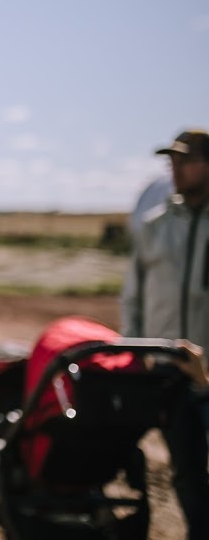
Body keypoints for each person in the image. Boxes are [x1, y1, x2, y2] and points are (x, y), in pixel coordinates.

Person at [121, 128, 209, 539]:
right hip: (168, 372)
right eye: (170, 161)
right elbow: (133, 295)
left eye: (185, 160)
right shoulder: (155, 226)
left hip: (206, 374)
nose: (174, 169)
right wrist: (134, 349)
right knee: (187, 473)